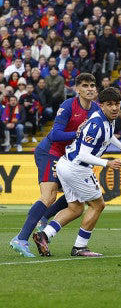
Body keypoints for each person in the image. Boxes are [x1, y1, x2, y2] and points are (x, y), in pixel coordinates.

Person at [33, 87, 121, 257]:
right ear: (101, 105)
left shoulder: (108, 118)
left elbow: (109, 136)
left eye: (117, 104)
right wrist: (107, 163)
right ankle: (80, 247)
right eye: (110, 104)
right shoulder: (95, 125)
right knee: (98, 205)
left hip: (66, 164)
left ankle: (44, 235)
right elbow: (83, 154)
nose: (115, 108)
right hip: (77, 168)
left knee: (75, 208)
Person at [9, 73, 98, 257]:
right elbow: (55, 134)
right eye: (85, 86)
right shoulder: (68, 106)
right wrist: (77, 134)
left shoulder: (96, 110)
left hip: (69, 158)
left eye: (92, 85)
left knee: (77, 197)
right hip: (50, 152)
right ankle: (21, 238)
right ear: (77, 89)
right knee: (48, 195)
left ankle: (43, 217)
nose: (90, 89)